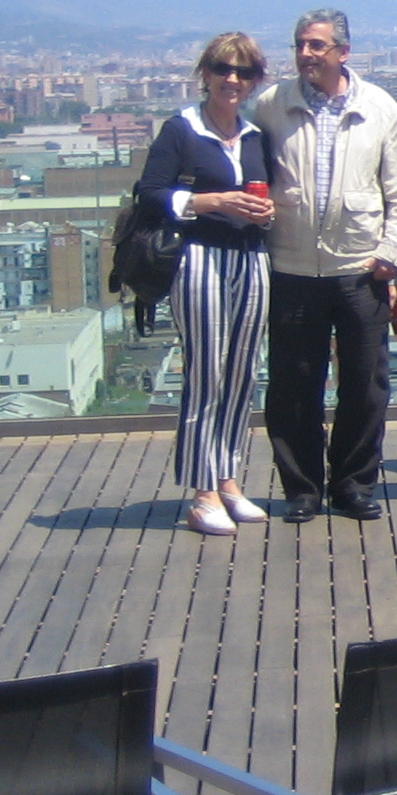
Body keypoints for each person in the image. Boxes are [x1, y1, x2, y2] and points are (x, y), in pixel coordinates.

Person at [256, 9, 397, 522]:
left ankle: (353, 485)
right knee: (293, 384)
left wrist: (392, 255)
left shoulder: (380, 108)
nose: (306, 54)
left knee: (365, 385)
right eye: (300, 44)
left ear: (343, 52)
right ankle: (301, 488)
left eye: (317, 46)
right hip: (293, 267)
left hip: (359, 267)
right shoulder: (272, 106)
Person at [138, 33, 274, 536]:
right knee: (206, 372)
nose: (231, 80)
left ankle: (228, 476)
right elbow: (150, 193)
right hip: (199, 258)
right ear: (205, 74)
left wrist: (265, 209)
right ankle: (201, 491)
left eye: (242, 72)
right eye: (222, 69)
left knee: (242, 371)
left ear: (255, 80)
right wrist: (213, 202)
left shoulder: (256, 135)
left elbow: (267, 192)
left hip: (250, 258)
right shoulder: (182, 130)